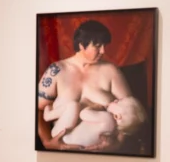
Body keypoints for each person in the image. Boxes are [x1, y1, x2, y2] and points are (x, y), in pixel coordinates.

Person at [37, 19, 135, 152]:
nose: (103, 51)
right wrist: (47, 142)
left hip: (101, 155)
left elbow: (131, 113)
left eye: (104, 45)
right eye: (98, 46)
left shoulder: (111, 71)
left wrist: (117, 143)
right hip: (63, 155)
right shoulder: (56, 71)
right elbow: (38, 110)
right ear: (82, 45)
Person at [47, 95, 146, 148]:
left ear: (117, 116)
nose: (115, 100)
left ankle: (48, 115)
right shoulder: (113, 132)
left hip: (61, 136)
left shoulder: (107, 118)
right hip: (68, 142)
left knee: (74, 105)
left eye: (118, 102)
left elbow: (83, 114)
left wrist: (95, 106)